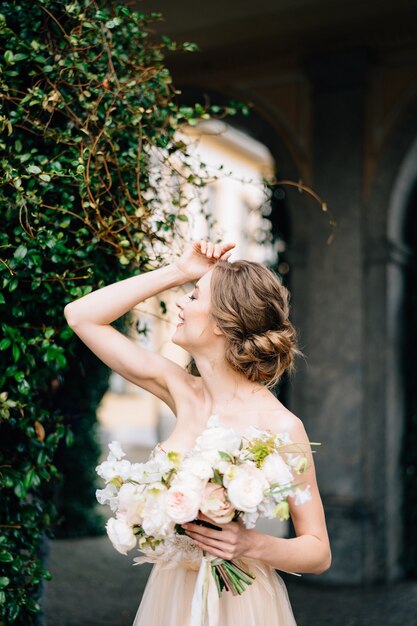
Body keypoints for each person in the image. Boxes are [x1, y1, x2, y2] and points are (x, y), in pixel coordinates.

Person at [64, 239, 332, 626]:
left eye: (192, 296)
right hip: (170, 594)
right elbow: (80, 316)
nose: (180, 304)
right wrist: (180, 270)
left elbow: (318, 550)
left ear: (225, 320)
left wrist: (251, 543)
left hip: (241, 602)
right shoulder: (179, 389)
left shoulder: (282, 427)